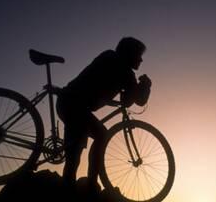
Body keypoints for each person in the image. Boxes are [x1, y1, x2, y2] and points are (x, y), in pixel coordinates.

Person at [56, 37, 152, 191]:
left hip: (70, 102)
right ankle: (89, 184)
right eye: (138, 55)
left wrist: (143, 87)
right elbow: (133, 101)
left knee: (76, 148)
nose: (141, 59)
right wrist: (146, 86)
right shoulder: (121, 66)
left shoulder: (111, 58)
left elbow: (129, 100)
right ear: (129, 53)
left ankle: (80, 185)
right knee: (99, 137)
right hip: (74, 104)